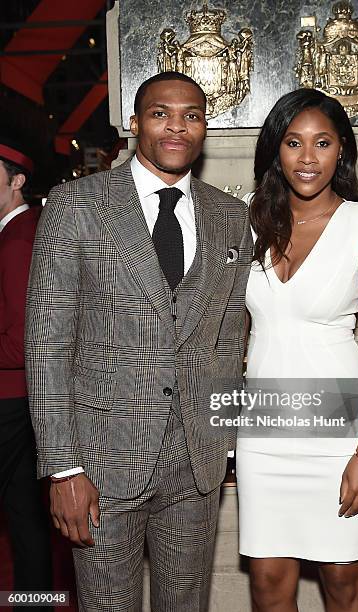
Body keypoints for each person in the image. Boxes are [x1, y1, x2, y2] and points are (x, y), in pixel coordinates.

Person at [25, 72, 252, 612]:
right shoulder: (76, 204)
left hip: (194, 466)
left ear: (205, 127)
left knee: (187, 604)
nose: (177, 127)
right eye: (160, 113)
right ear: (134, 123)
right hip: (100, 462)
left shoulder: (229, 215)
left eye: (191, 115)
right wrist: (62, 468)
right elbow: (47, 344)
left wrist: (220, 443)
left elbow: (228, 339)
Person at [236, 88, 358, 612]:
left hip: (338, 437)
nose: (308, 158)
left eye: (322, 143)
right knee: (267, 584)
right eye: (293, 142)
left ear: (342, 151)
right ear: (275, 151)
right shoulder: (250, 222)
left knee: (343, 581)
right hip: (263, 434)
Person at [0, 138, 53, 608]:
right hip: (21, 400)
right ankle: (34, 601)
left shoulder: (17, 238)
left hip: (8, 401)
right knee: (24, 516)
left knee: (24, 516)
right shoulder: (20, 230)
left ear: (17, 182)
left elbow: (22, 342)